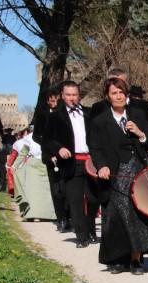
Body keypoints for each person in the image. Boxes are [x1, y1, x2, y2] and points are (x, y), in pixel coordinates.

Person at [88, 78, 148, 274]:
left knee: (137, 213)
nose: (118, 96)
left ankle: (136, 259)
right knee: (116, 215)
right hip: (114, 173)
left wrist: (140, 133)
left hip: (137, 170)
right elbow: (95, 147)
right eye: (114, 93)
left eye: (121, 92)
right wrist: (101, 166)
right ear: (107, 96)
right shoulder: (99, 121)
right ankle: (117, 259)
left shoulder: (138, 114)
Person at [43, 80, 100, 247]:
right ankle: (81, 236)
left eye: (74, 95)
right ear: (62, 96)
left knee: (93, 198)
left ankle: (90, 228)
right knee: (75, 200)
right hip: (71, 163)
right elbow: (47, 140)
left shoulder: (90, 114)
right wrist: (59, 148)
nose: (71, 98)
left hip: (91, 161)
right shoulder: (55, 117)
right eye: (68, 95)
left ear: (79, 95)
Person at [36, 88, 70, 231]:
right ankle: (61, 218)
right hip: (51, 156)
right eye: (51, 99)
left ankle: (70, 217)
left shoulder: (66, 114)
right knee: (56, 190)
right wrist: (49, 148)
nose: (54, 101)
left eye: (56, 98)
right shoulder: (42, 116)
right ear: (47, 100)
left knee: (68, 189)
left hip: (67, 155)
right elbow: (36, 136)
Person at [89, 67, 148, 135]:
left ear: (127, 84)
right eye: (113, 83)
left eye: (120, 83)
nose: (117, 86)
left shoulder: (143, 106)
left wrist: (139, 134)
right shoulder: (98, 108)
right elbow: (93, 135)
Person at [8, 125, 56, 220]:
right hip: (33, 166)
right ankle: (30, 214)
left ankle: (49, 215)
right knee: (33, 193)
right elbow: (23, 153)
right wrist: (14, 165)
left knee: (49, 193)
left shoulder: (52, 135)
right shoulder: (29, 138)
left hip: (48, 165)